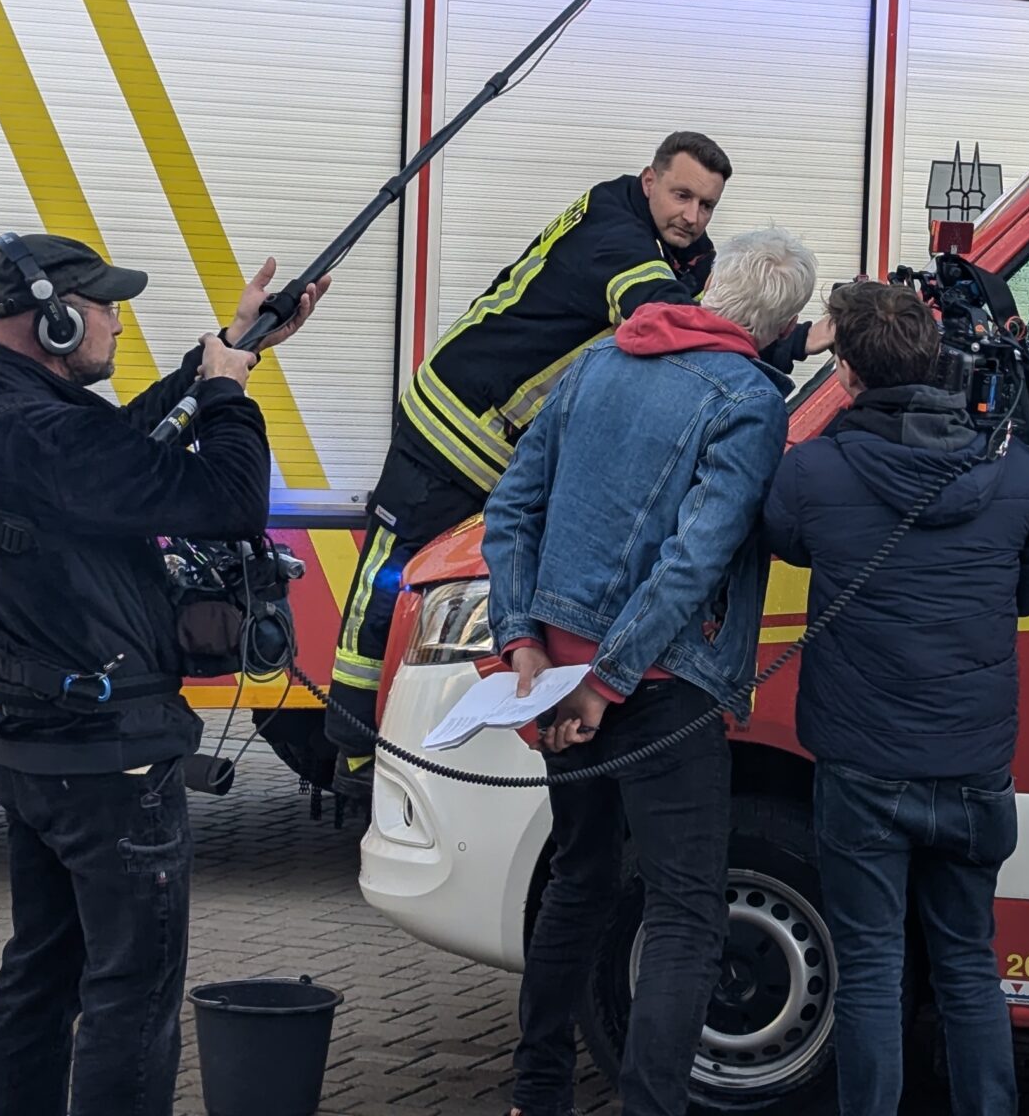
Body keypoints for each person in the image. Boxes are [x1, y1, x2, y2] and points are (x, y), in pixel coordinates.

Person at [0, 232, 324, 1116]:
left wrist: (229, 346)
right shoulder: (45, 436)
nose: (116, 322)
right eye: (104, 307)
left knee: (41, 976)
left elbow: (113, 447)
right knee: (131, 995)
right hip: (110, 762)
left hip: (37, 748)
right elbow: (230, 502)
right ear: (56, 322)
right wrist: (226, 397)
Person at [314, 132, 827, 803]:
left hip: (504, 438)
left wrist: (792, 333)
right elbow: (668, 318)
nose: (693, 216)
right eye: (682, 195)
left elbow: (714, 311)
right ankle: (352, 751)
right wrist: (775, 341)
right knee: (391, 584)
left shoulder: (677, 245)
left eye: (707, 204)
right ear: (649, 180)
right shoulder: (615, 236)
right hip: (455, 422)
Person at [482, 227, 819, 1116]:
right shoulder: (750, 400)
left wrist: (524, 644)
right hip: (659, 690)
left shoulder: (600, 360)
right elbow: (693, 560)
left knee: (581, 878)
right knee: (685, 910)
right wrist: (610, 680)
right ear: (776, 325)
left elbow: (511, 507)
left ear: (710, 287)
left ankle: (536, 1094)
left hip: (554, 680)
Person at [760, 280, 1029, 1116]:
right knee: (968, 965)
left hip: (862, 766)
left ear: (847, 372)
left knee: (871, 970)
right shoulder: (1014, 470)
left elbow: (782, 536)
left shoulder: (815, 470)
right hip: (973, 765)